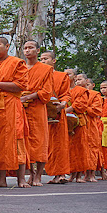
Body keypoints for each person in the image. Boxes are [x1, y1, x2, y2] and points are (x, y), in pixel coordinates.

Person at [0, 37, 29, 188]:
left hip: (11, 106)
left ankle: (21, 179)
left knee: (17, 139)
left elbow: (21, 85)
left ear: (7, 46)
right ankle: (0, 179)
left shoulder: (16, 63)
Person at [21, 41, 53, 186]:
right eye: (25, 48)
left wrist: (28, 96)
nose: (27, 51)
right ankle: (30, 174)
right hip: (21, 108)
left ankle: (38, 175)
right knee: (24, 141)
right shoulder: (20, 67)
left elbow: (46, 92)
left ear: (38, 51)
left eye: (31, 48)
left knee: (40, 141)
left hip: (37, 107)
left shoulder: (45, 69)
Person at [39, 51, 71, 184]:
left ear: (54, 61)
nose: (43, 61)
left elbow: (66, 95)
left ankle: (60, 174)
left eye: (46, 59)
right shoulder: (37, 74)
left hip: (57, 114)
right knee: (42, 146)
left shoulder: (61, 76)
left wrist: (62, 105)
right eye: (41, 59)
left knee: (59, 145)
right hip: (40, 114)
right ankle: (36, 176)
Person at [64, 70, 90, 183]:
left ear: (75, 77)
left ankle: (79, 175)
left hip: (78, 122)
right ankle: (70, 174)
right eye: (64, 74)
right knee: (67, 149)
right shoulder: (62, 90)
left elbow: (80, 104)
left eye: (69, 74)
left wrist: (66, 111)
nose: (66, 76)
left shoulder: (81, 90)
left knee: (79, 148)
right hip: (64, 121)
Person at [83, 76, 104, 181]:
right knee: (81, 148)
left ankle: (91, 174)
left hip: (91, 123)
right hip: (80, 123)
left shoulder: (95, 95)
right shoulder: (77, 93)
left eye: (87, 85)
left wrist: (82, 107)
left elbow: (96, 110)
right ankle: (81, 174)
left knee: (92, 147)